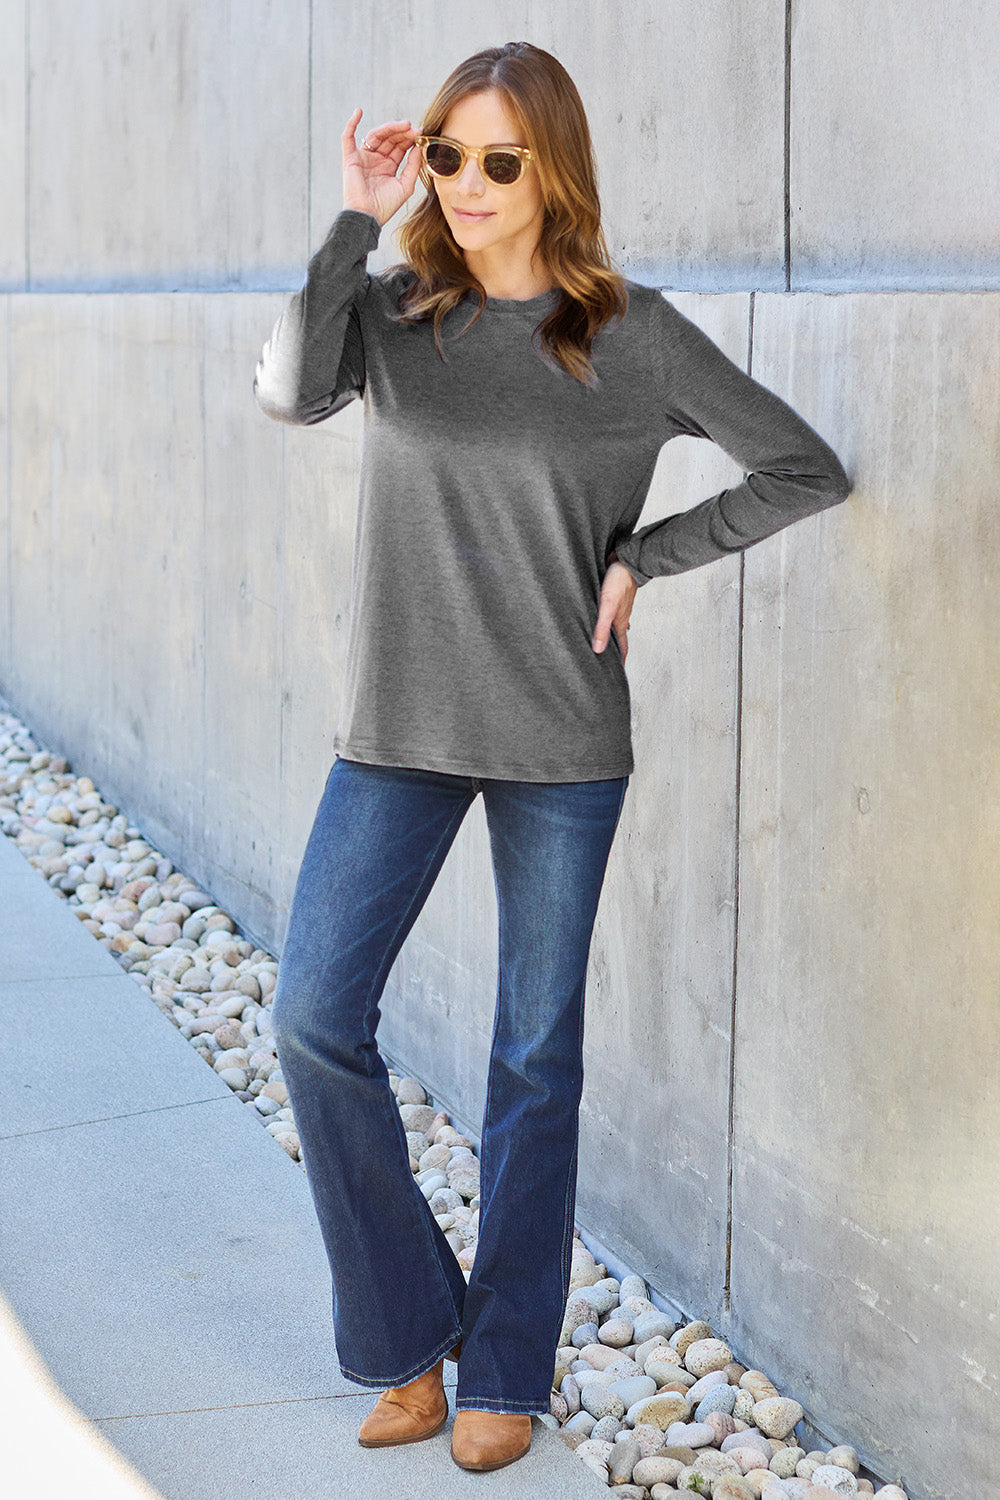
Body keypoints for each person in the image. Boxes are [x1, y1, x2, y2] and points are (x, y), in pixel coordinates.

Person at [253, 40, 850, 1474]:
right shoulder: (396, 312)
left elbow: (802, 467)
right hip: (396, 730)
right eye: (446, 156)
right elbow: (286, 389)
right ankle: (407, 1336)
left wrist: (651, 554)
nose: (463, 184)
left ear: (555, 173)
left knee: (533, 1057)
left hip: (561, 740)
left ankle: (507, 1362)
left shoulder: (630, 335)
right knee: (312, 1017)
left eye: (495, 161)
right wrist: (353, 213)